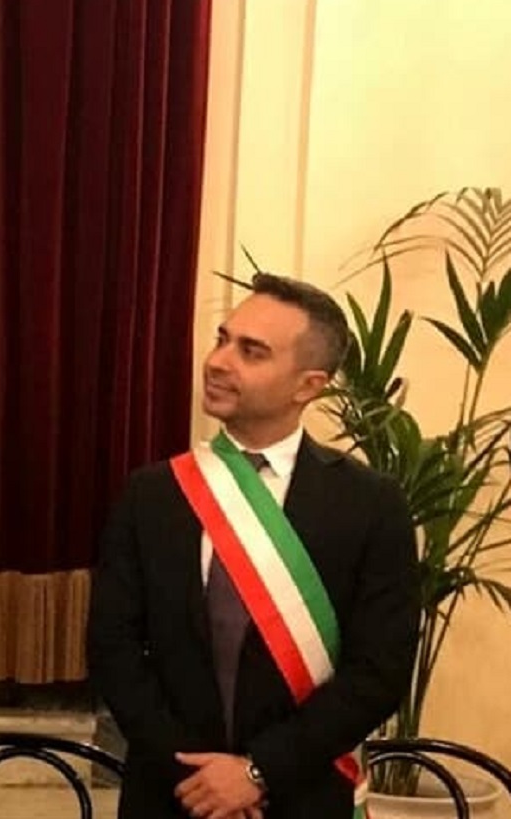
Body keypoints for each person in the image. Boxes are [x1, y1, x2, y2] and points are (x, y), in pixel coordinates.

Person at [87, 273, 420, 818]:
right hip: (172, 795)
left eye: (251, 351)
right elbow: (113, 649)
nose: (218, 361)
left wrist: (257, 772)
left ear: (308, 386)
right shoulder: (151, 494)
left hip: (302, 796)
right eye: (222, 339)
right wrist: (197, 778)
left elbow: (379, 672)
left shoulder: (370, 505)